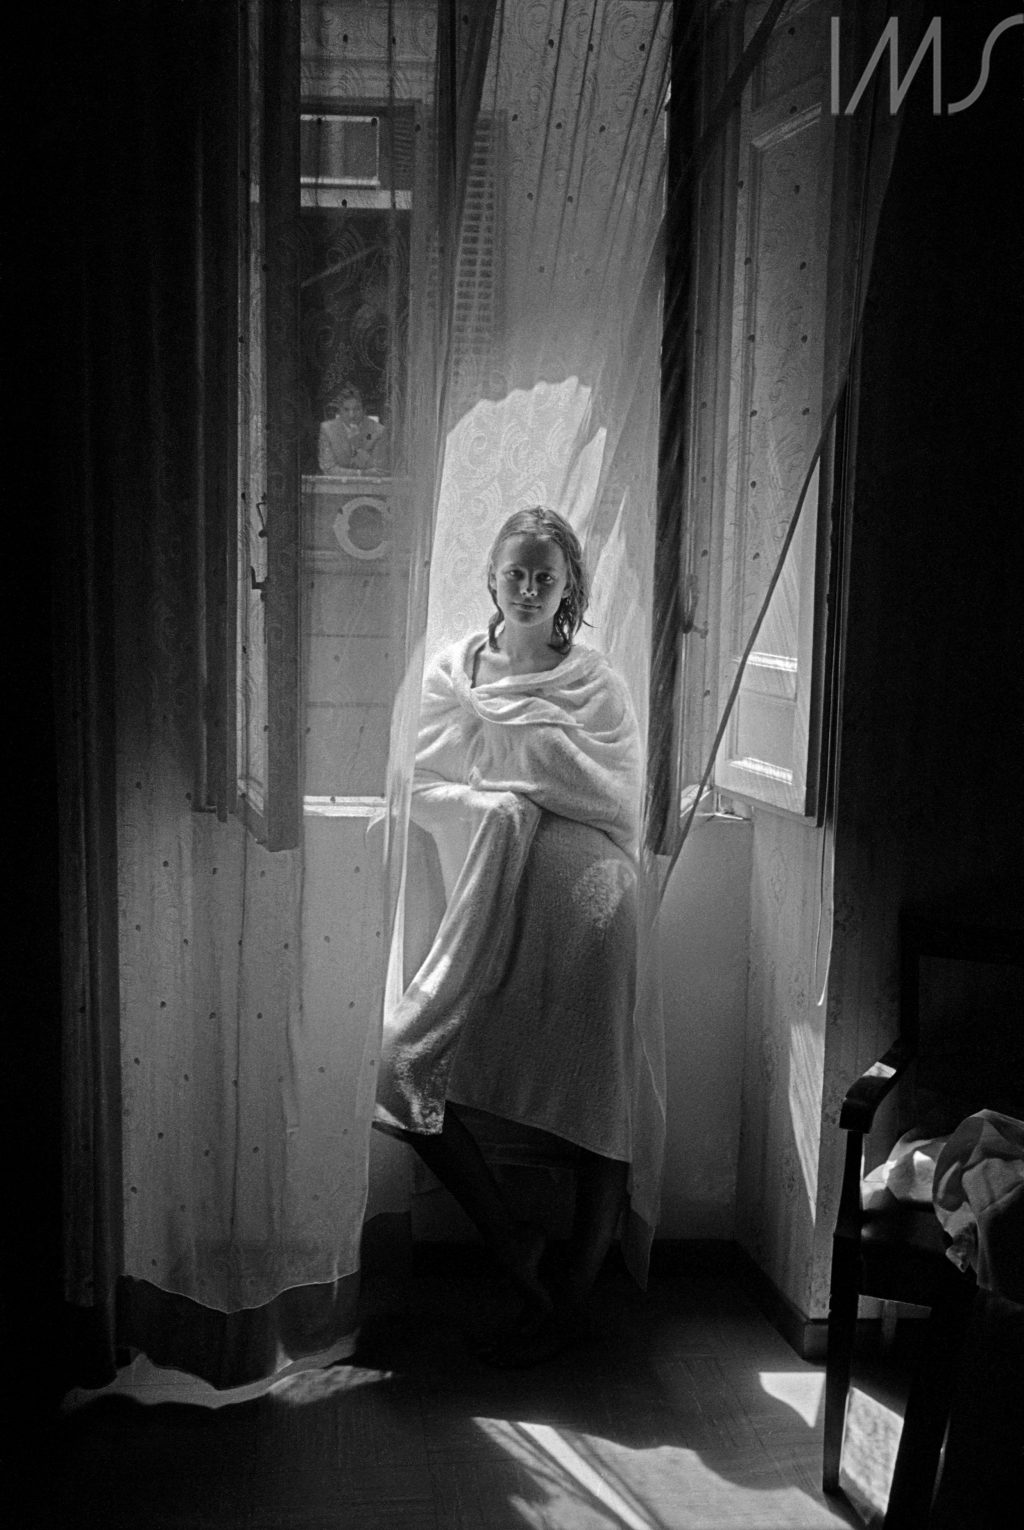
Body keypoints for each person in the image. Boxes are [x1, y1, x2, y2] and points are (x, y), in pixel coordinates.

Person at [374, 506, 643, 1366]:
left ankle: (574, 1296)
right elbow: (416, 778)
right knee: (404, 1065)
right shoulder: (453, 674)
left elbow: (612, 793)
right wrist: (497, 804)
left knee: (597, 1091)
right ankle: (510, 1240)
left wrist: (516, 774)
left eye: (545, 577)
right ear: (491, 577)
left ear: (569, 590)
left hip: (591, 904)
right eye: (516, 573)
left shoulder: (596, 683)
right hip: (490, 894)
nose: (529, 589)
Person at [318, 384, 386, 473]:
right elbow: (328, 468)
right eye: (346, 410)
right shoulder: (328, 429)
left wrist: (358, 449)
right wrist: (360, 474)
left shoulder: (378, 431)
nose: (352, 415)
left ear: (364, 410)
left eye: (357, 409)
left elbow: (380, 469)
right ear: (339, 410)